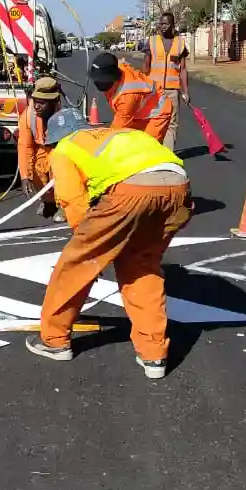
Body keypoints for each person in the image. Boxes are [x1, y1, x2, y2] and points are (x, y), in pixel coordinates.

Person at [25, 108, 192, 379]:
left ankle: (54, 340)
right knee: (141, 265)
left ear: (56, 139)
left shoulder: (65, 148)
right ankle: (153, 354)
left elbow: (72, 201)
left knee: (74, 266)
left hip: (130, 190)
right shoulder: (117, 134)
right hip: (178, 187)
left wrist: (93, 251)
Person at [87, 51, 174, 142]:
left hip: (158, 112)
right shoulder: (116, 70)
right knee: (131, 142)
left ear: (112, 79)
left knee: (147, 145)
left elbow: (116, 131)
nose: (97, 83)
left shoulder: (128, 97)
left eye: (100, 80)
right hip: (138, 112)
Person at [16, 74, 65, 222]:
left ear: (53, 102)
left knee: (62, 167)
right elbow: (25, 146)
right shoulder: (28, 116)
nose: (36, 106)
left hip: (61, 152)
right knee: (37, 166)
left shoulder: (65, 117)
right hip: (42, 150)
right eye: (35, 101)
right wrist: (25, 176)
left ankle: (64, 204)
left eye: (42, 103)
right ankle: (48, 201)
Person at [142, 11, 191, 150]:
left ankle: (167, 153)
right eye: (161, 23)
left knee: (171, 123)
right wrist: (143, 87)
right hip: (154, 90)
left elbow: (183, 69)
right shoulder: (152, 41)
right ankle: (153, 150)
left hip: (172, 91)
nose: (162, 26)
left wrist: (186, 92)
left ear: (172, 25)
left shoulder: (180, 43)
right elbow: (146, 66)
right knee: (154, 120)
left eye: (165, 24)